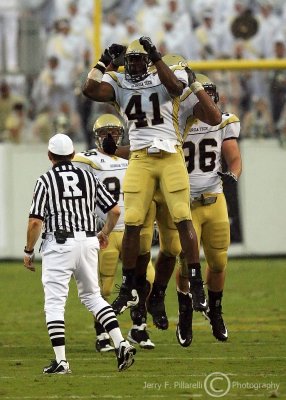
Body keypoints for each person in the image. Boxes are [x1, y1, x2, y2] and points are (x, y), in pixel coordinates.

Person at [82, 37, 222, 318]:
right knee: (133, 224)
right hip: (142, 159)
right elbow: (90, 89)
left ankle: (191, 284)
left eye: (140, 59)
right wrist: (104, 60)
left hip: (170, 156)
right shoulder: (121, 82)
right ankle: (129, 287)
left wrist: (167, 65)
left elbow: (190, 97)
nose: (134, 65)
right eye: (131, 60)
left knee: (178, 228)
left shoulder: (173, 84)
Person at [23, 133, 136, 374]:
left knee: (54, 303)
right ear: (73, 155)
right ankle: (121, 343)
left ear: (50, 156)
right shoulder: (87, 176)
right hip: (87, 241)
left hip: (59, 244)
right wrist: (104, 233)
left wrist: (28, 250)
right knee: (93, 297)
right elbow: (114, 210)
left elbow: (35, 222)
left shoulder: (45, 180)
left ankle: (62, 361)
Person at [149, 74, 242, 346]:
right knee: (185, 259)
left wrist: (233, 174)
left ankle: (215, 311)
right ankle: (185, 312)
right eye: (203, 94)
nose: (208, 99)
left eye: (211, 93)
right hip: (185, 202)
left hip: (214, 199)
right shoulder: (176, 123)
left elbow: (234, 157)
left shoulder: (224, 121)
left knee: (218, 262)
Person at [72, 114, 155, 350]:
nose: (111, 137)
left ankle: (139, 327)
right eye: (105, 133)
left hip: (133, 229)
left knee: (146, 279)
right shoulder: (86, 159)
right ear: (96, 136)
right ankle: (102, 332)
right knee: (105, 287)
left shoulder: (134, 158)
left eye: (116, 133)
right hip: (105, 231)